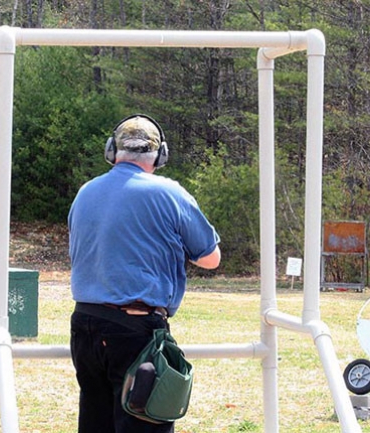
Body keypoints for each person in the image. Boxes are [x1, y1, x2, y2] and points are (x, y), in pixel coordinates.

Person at [68, 113, 221, 433]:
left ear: (113, 151)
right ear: (160, 155)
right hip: (135, 330)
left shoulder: (85, 192)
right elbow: (210, 258)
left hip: (85, 327)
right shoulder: (170, 193)